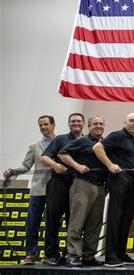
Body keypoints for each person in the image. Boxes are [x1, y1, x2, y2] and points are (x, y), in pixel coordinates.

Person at [3, 115, 55, 265]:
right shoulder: (34, 146)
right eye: (41, 125)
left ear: (53, 125)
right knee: (33, 223)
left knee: (52, 224)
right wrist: (12, 171)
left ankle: (49, 254)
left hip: (55, 190)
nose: (43, 127)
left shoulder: (61, 142)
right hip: (38, 190)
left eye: (46, 124)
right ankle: (30, 254)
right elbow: (26, 166)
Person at [93, 113, 134, 267]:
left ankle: (120, 252)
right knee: (116, 216)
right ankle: (110, 256)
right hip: (118, 179)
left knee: (127, 217)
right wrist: (109, 165)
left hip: (130, 178)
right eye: (131, 121)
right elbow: (97, 147)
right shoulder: (118, 135)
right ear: (125, 122)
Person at [58, 116, 107, 267]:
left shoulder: (105, 144)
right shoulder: (82, 141)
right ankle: (73, 255)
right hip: (83, 185)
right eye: (95, 124)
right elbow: (62, 154)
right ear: (89, 126)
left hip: (100, 188)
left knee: (95, 224)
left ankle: (88, 255)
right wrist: (77, 166)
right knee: (77, 222)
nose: (98, 126)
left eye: (101, 124)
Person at [40, 113, 85, 266]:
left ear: (84, 123)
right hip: (59, 184)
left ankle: (70, 253)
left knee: (75, 222)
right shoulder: (60, 139)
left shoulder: (89, 141)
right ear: (68, 124)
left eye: (79, 121)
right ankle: (51, 254)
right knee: (53, 220)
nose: (76, 123)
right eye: (73, 121)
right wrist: (55, 166)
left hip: (79, 186)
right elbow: (44, 157)